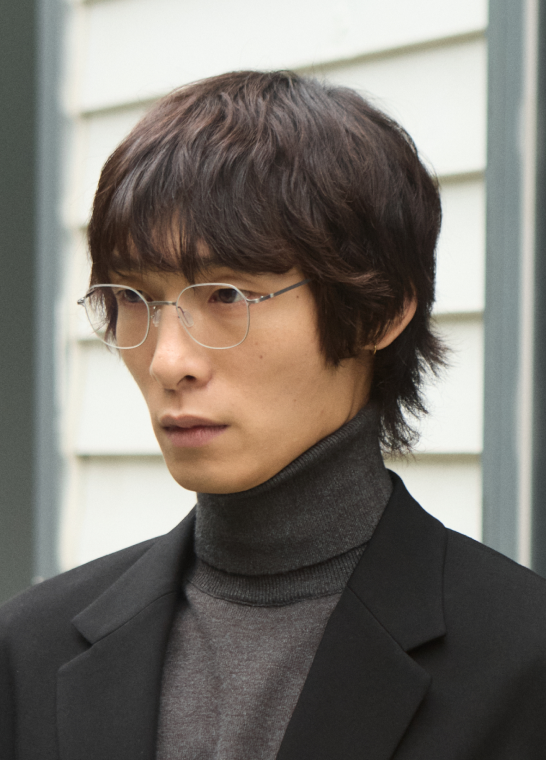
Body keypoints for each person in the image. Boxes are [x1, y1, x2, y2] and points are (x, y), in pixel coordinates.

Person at [2, 70, 546, 760]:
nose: (168, 361)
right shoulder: (29, 650)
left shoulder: (523, 663)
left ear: (378, 310)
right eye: (134, 299)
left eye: (226, 295)